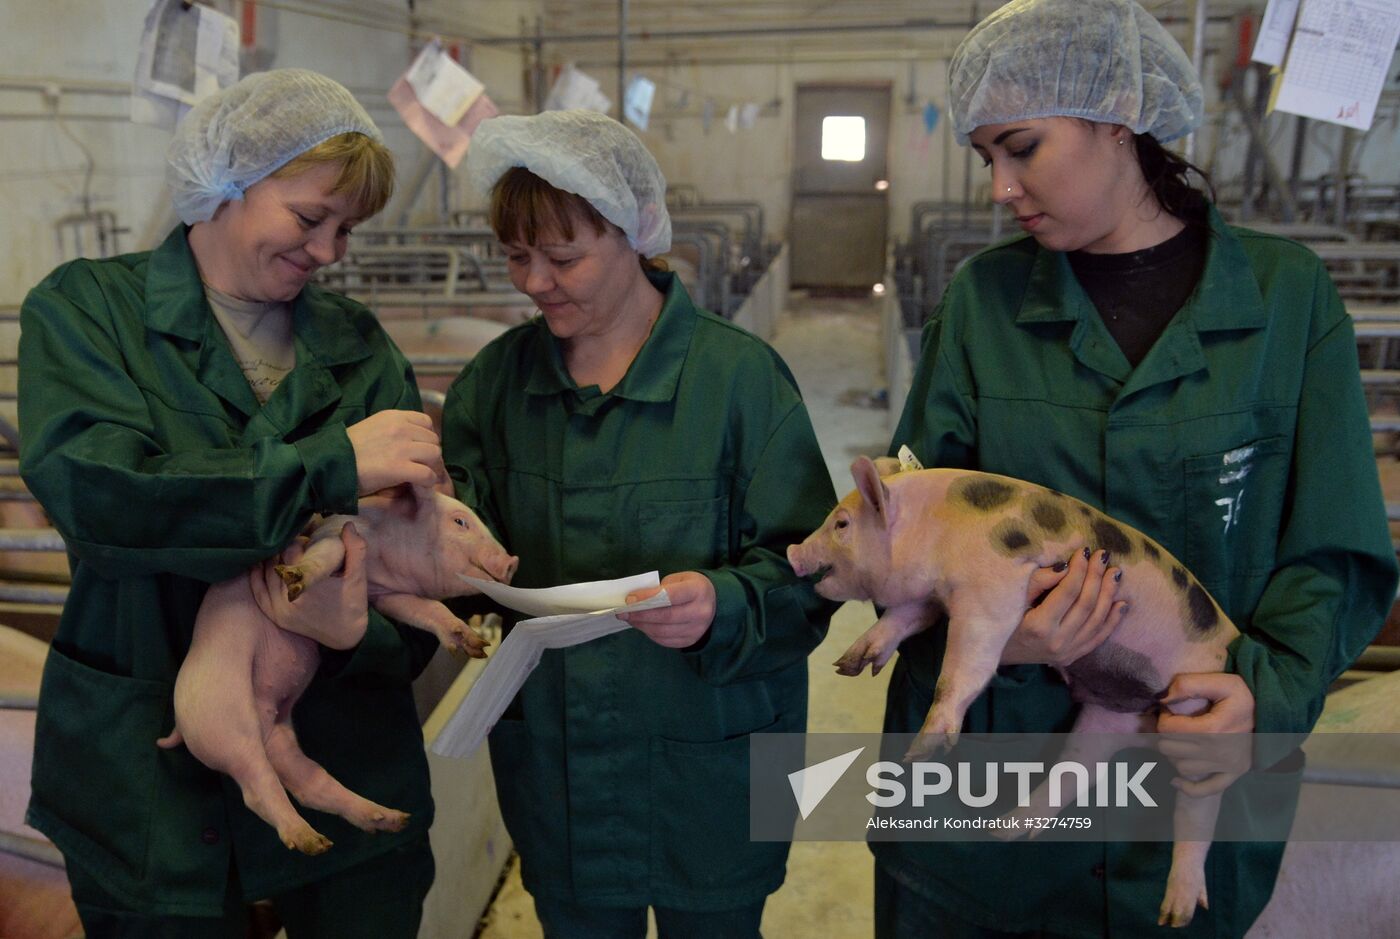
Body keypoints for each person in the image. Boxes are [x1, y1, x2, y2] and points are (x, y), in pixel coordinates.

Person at [875, 0, 1399, 936]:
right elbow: (907, 530)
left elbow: (1334, 550)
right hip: (990, 793)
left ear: (1118, 115)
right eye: (987, 157)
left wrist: (1263, 695)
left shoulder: (1286, 301)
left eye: (1022, 147)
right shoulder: (982, 304)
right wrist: (1003, 638)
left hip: (1186, 774)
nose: (1000, 187)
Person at [19, 69, 444, 937]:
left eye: (346, 229)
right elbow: (102, 496)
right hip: (145, 775)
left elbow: (416, 545)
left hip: (343, 754)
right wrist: (328, 467)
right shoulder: (88, 311)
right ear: (226, 180)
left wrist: (358, 632)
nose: (329, 252)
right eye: (310, 217)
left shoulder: (359, 345)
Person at [440, 109, 838, 938]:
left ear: (636, 232)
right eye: (516, 256)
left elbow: (817, 573)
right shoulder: (493, 387)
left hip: (717, 770)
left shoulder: (741, 381)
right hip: (562, 775)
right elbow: (460, 550)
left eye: (563, 258)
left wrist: (724, 604)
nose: (535, 282)